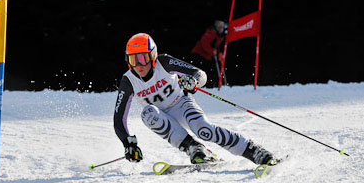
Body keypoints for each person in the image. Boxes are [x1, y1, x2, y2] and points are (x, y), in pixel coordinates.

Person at [113, 33, 278, 167]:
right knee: (147, 113)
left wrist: (193, 81)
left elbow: (199, 73)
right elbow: (119, 118)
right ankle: (194, 148)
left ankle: (253, 150)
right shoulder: (128, 81)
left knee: (204, 130)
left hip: (181, 104)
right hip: (163, 117)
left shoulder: (164, 62)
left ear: (153, 56)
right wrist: (129, 144)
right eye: (133, 60)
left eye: (143, 58)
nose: (138, 65)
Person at [190, 20, 226, 87]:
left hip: (207, 56)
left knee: (210, 72)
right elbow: (204, 43)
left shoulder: (220, 36)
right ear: (215, 27)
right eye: (219, 27)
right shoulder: (211, 33)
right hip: (199, 54)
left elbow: (216, 47)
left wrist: (219, 54)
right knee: (200, 72)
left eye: (222, 27)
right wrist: (212, 51)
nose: (221, 29)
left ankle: (210, 85)